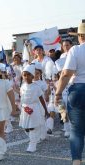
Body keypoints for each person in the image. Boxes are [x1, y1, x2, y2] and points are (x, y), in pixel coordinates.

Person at [55, 23, 85, 165]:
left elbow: (66, 74)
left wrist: (58, 93)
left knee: (77, 130)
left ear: (80, 36)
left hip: (78, 89)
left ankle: (77, 162)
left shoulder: (75, 50)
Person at [19, 64, 48, 152]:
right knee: (26, 127)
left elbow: (41, 99)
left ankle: (32, 145)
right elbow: (22, 98)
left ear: (32, 76)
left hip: (34, 108)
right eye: (24, 75)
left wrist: (45, 110)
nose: (26, 77)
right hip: (25, 109)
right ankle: (35, 137)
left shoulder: (36, 87)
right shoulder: (23, 86)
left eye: (28, 75)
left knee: (32, 127)